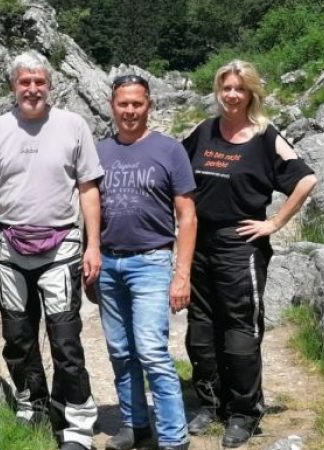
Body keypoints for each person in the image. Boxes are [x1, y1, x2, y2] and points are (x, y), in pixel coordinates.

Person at [181, 60, 317, 448]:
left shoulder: (264, 136)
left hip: (240, 245)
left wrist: (274, 223)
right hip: (199, 241)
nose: (232, 95)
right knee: (201, 329)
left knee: (240, 329)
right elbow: (175, 172)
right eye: (226, 88)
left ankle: (244, 412)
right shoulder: (204, 131)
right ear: (217, 91)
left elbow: (306, 179)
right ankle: (211, 403)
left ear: (251, 93)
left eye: (239, 89)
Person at [0, 51, 103, 450]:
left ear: (50, 85)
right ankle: (33, 405)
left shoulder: (73, 125)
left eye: (39, 82)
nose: (32, 89)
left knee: (65, 338)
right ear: (13, 86)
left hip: (62, 245)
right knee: (17, 336)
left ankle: (75, 419)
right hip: (9, 247)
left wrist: (93, 245)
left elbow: (88, 189)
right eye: (24, 82)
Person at [95, 74, 196, 450]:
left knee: (152, 351)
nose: (130, 111)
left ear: (149, 105)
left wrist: (181, 275)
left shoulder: (170, 150)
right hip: (108, 263)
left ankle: (173, 437)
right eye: (123, 104)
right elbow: (88, 209)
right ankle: (135, 424)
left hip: (151, 262)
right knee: (120, 352)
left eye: (137, 103)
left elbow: (187, 216)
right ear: (112, 107)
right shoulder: (99, 151)